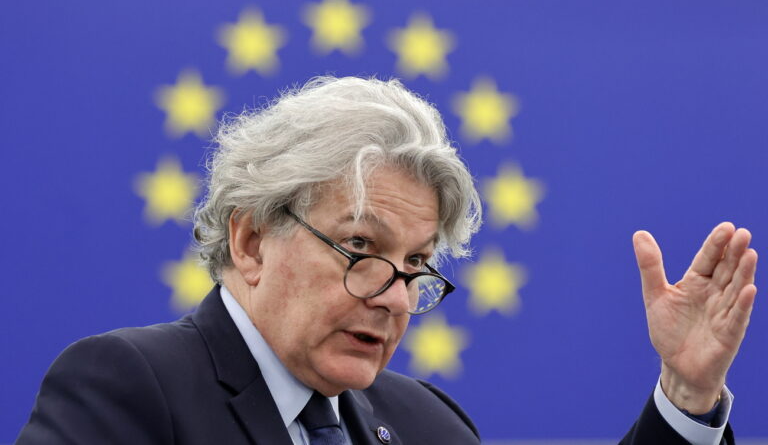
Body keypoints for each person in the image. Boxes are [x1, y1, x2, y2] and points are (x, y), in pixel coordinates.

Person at [16, 77, 757, 445]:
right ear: (250, 242)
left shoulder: (426, 423)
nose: (395, 297)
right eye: (362, 249)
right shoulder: (128, 387)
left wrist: (686, 397)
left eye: (416, 265)